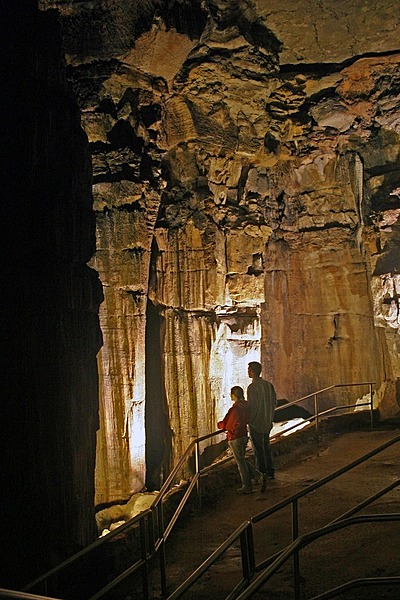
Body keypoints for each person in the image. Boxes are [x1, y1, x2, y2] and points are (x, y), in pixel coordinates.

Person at [218, 386, 260, 494]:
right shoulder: (246, 406)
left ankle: (247, 486)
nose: (230, 395)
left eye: (231, 394)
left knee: (240, 462)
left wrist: (220, 425)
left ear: (235, 395)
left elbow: (227, 424)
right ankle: (257, 475)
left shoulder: (235, 409)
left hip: (235, 437)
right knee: (242, 458)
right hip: (244, 435)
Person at [247, 361, 277, 492]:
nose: (248, 372)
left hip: (257, 423)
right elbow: (274, 402)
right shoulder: (268, 385)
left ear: (253, 372)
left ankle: (261, 474)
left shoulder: (252, 388)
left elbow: (252, 406)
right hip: (267, 421)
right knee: (267, 447)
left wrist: (250, 420)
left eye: (249, 370)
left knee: (258, 450)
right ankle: (270, 472)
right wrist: (269, 416)